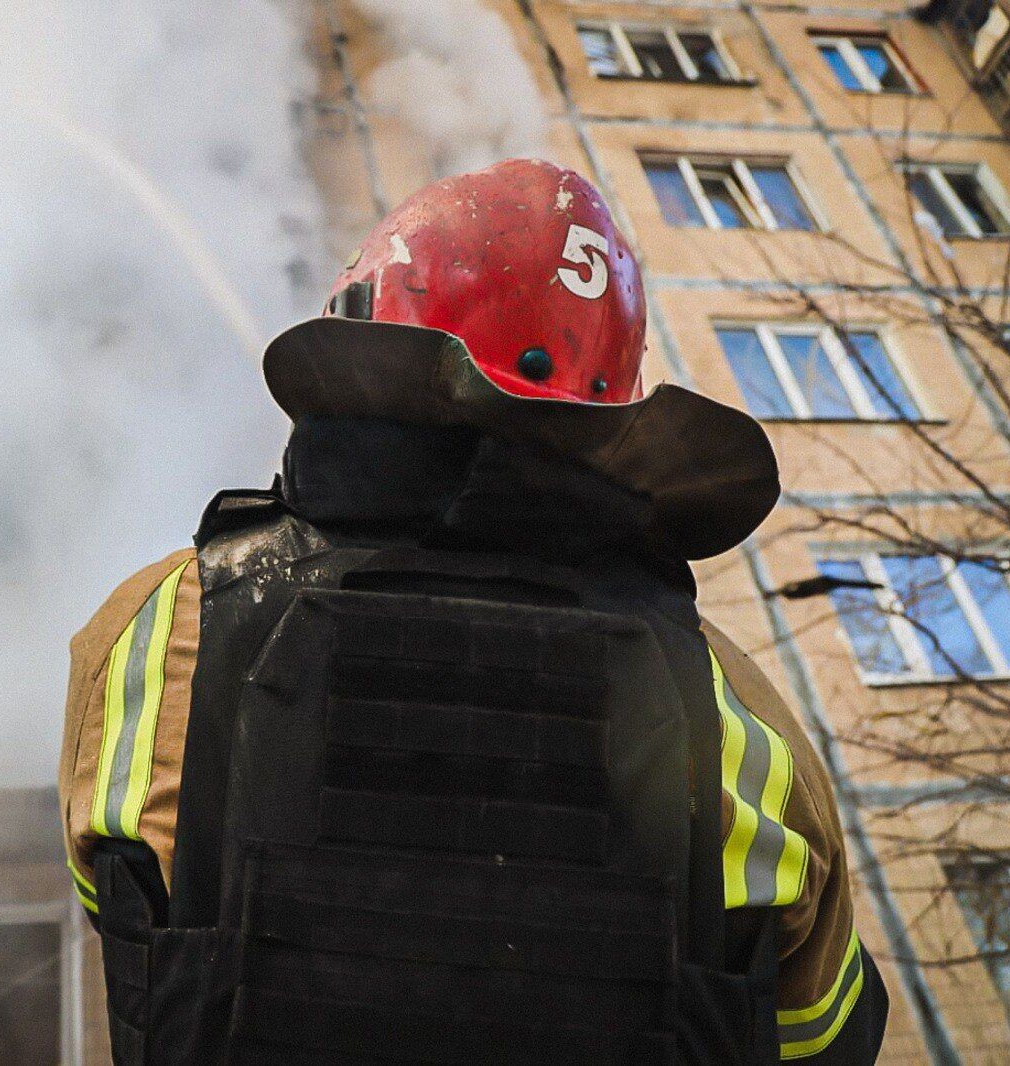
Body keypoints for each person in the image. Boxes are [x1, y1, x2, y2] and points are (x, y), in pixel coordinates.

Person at [58, 158, 888, 1064]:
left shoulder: (162, 627)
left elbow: (128, 930)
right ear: (610, 403)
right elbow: (820, 1038)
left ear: (363, 332)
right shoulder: (744, 722)